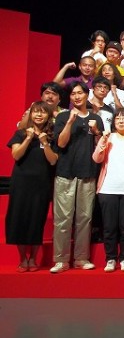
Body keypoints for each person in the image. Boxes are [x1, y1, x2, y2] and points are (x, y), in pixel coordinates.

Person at [50, 81, 104, 273]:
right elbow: (61, 144)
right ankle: (61, 260)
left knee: (85, 218)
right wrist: (70, 122)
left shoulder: (96, 118)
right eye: (73, 94)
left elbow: (101, 147)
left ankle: (81, 258)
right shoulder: (63, 117)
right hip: (65, 173)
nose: (77, 97)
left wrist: (96, 132)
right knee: (63, 218)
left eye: (80, 93)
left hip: (88, 173)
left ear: (87, 94)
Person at [6, 101, 58, 272]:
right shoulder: (20, 133)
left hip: (42, 183)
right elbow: (16, 155)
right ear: (31, 114)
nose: (39, 115)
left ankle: (34, 258)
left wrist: (45, 142)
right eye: (36, 112)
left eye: (43, 112)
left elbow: (53, 160)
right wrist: (28, 138)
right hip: (21, 183)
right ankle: (23, 259)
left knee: (37, 220)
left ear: (48, 116)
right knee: (19, 219)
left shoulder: (51, 135)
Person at [93, 109, 124, 272]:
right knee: (109, 226)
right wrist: (103, 141)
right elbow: (97, 158)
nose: (121, 121)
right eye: (118, 118)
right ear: (113, 122)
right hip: (108, 188)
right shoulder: (108, 138)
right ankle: (111, 258)